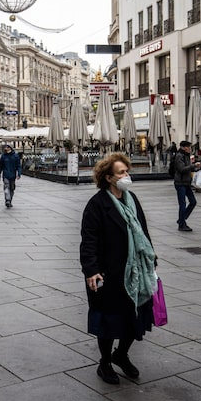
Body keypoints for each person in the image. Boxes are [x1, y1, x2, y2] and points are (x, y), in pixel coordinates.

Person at [80, 153, 157, 385]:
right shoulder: (97, 204)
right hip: (109, 272)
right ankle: (104, 363)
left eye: (127, 171)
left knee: (135, 316)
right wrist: (91, 270)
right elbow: (89, 239)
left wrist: (151, 259)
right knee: (108, 321)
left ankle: (121, 354)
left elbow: (142, 231)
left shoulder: (131, 199)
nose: (127, 176)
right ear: (108, 178)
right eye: (121, 172)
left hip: (135, 271)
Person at [173, 140, 201, 232]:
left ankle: (181, 219)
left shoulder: (187, 156)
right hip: (180, 183)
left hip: (186, 182)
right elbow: (181, 169)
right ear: (182, 147)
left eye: (190, 147)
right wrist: (193, 166)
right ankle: (181, 225)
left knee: (193, 202)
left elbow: (188, 169)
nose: (189, 149)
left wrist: (196, 168)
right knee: (182, 204)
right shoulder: (179, 156)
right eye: (188, 147)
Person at [0, 144, 22, 208]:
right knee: (6, 187)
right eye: (6, 147)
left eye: (7, 147)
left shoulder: (15, 156)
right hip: (6, 174)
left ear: (10, 148)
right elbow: (1, 166)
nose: (6, 148)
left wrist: (19, 174)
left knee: (12, 188)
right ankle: (7, 200)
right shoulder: (3, 156)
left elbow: (18, 166)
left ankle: (10, 200)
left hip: (13, 175)